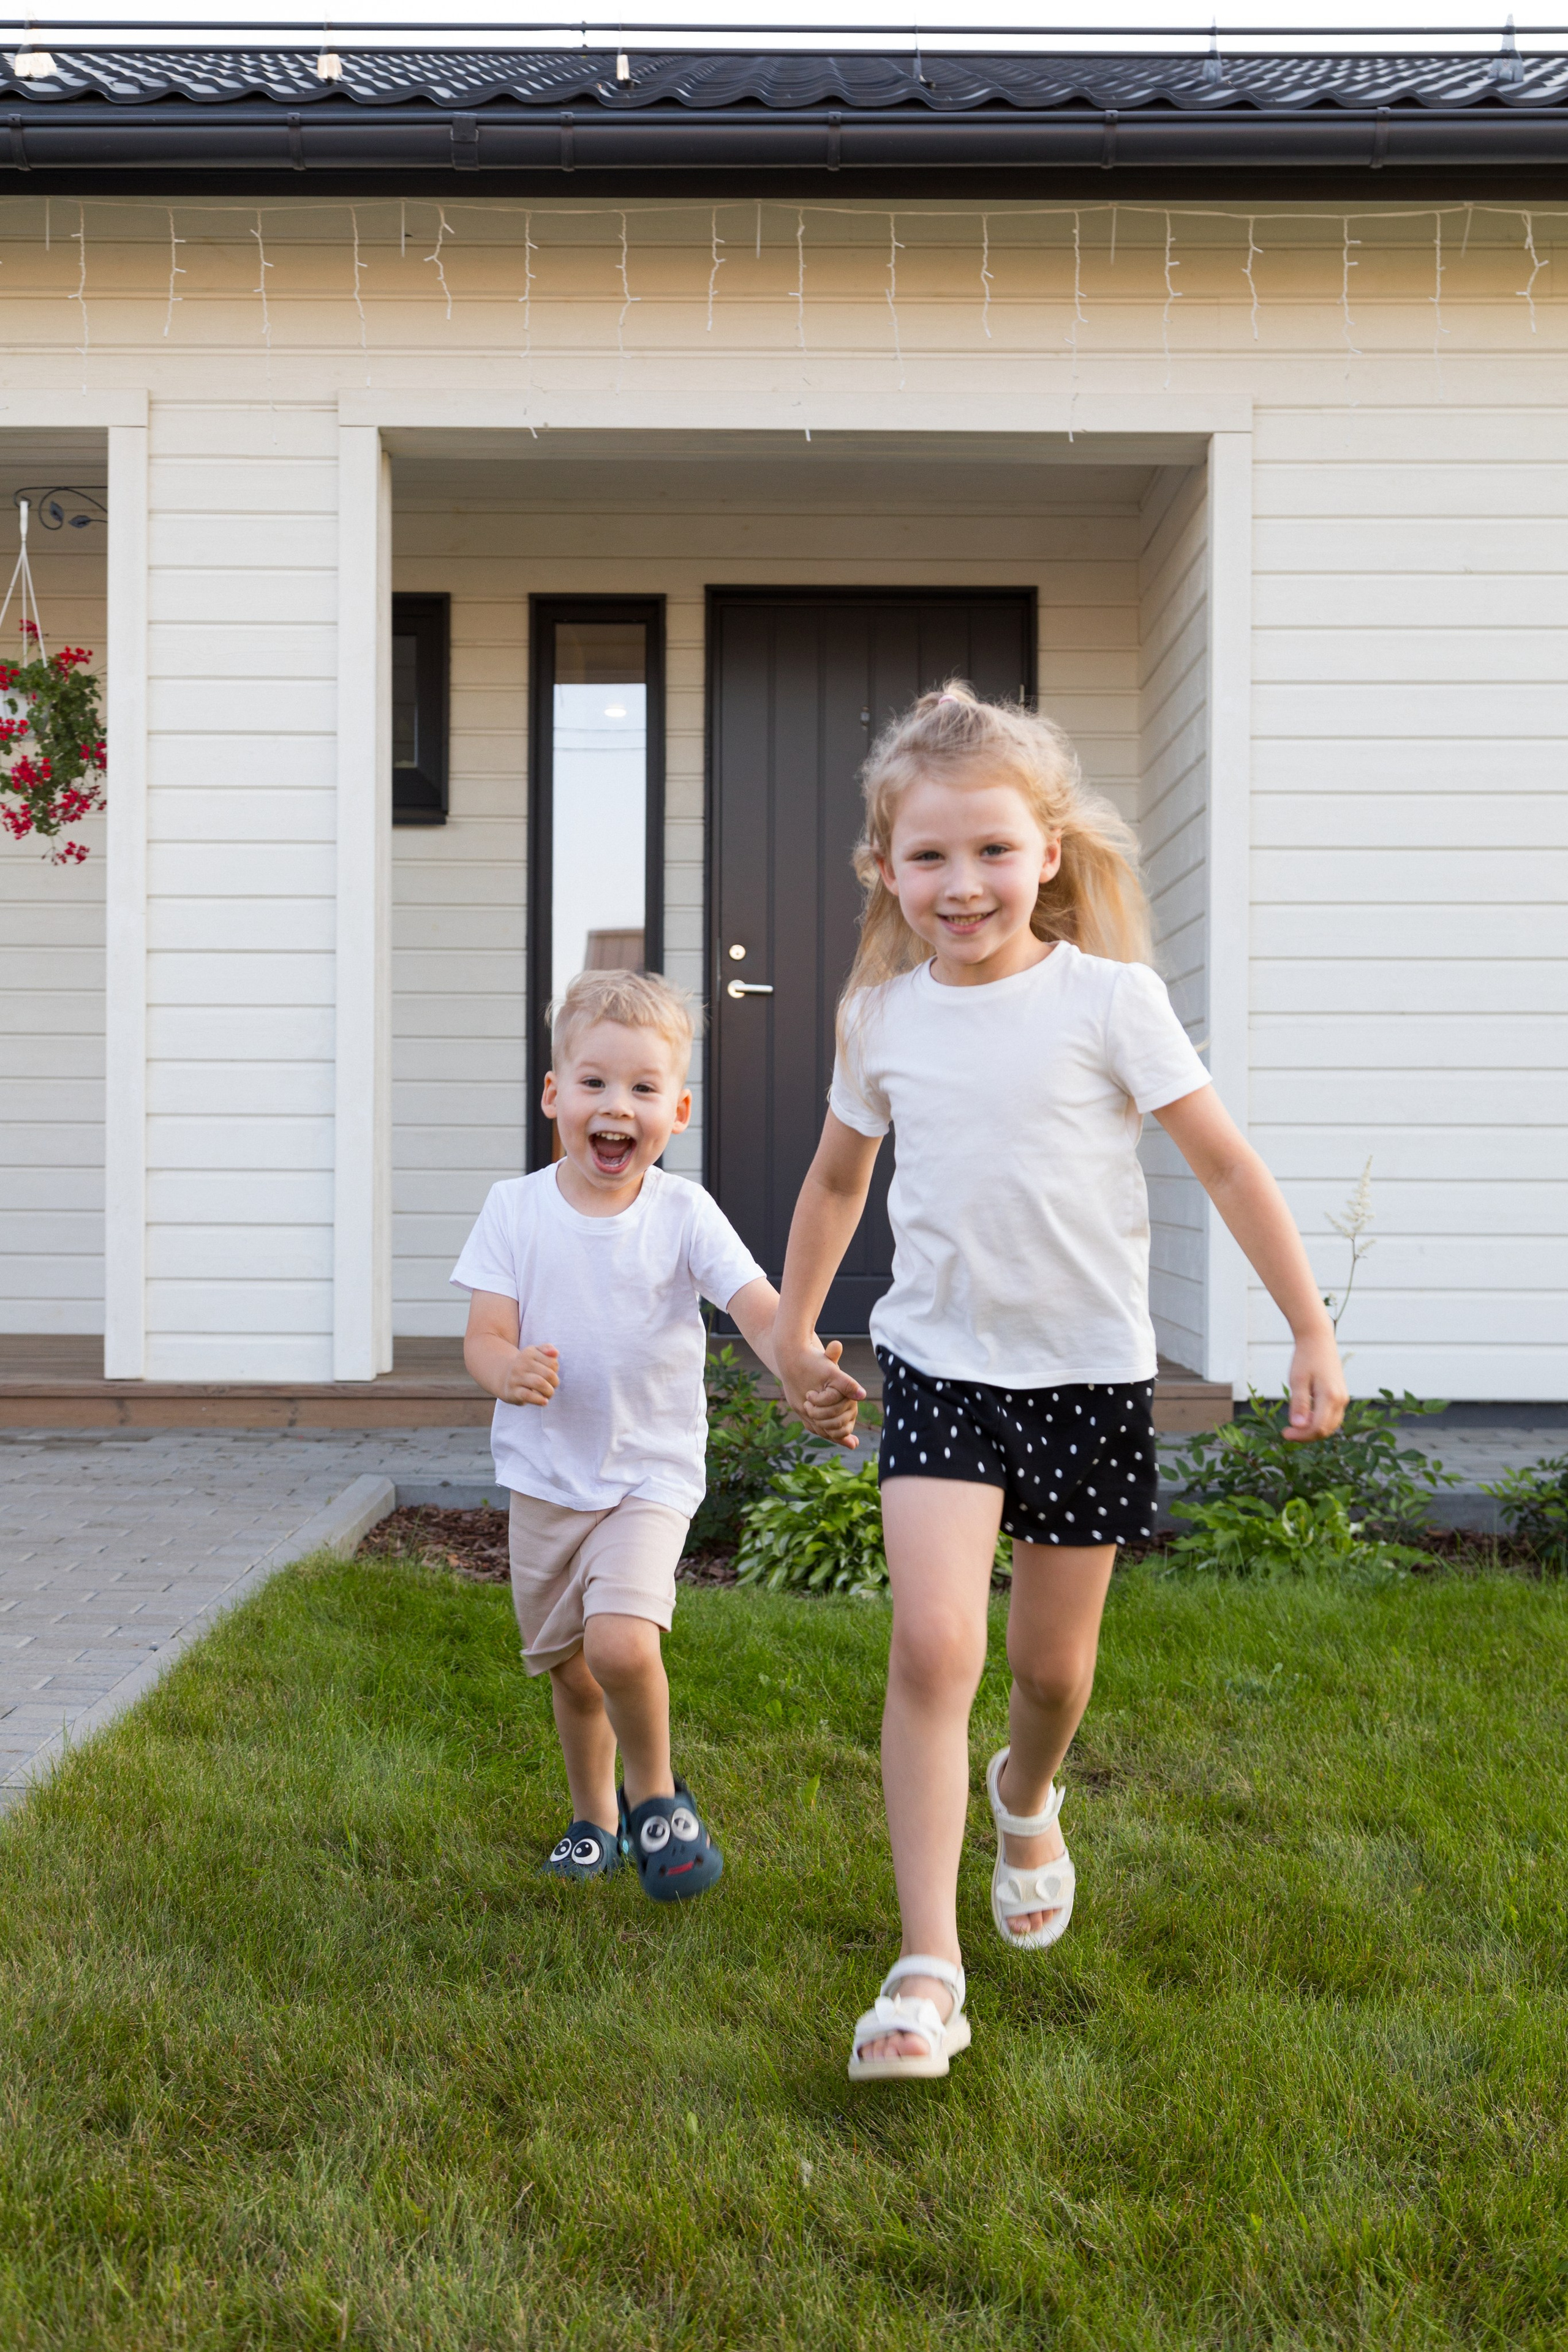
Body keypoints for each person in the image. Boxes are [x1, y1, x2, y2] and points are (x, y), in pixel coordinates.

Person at [773, 684, 1348, 2081]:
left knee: (1047, 1673)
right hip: (939, 1368)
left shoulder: (1110, 1000)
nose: (957, 885)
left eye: (986, 853)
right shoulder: (879, 1019)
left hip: (1088, 1380)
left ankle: (1024, 1795)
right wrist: (795, 1332)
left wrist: (1306, 1328)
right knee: (932, 1651)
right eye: (925, 858)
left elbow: (1221, 1162)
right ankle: (923, 1970)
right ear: (881, 869)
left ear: (1044, 852)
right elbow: (839, 1176)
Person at [453, 968, 856, 1902]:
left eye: (642, 1089)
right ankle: (594, 1820)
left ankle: (655, 1799)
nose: (616, 1107)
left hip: (649, 1475)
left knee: (623, 1647)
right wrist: (505, 1370)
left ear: (676, 1110)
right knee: (572, 1673)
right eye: (594, 1083)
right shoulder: (514, 1211)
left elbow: (758, 1308)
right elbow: (483, 1334)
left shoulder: (684, 1213)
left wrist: (798, 1364)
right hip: (548, 1480)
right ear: (555, 1096)